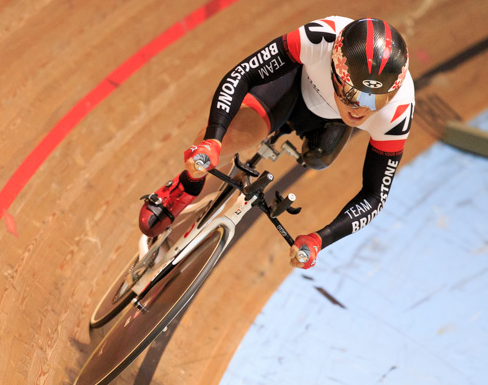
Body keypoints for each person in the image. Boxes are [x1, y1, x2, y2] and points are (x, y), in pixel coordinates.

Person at [139, 16, 414, 269]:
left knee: (319, 159)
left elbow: (375, 195)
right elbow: (243, 74)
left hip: (332, 123)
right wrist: (213, 139)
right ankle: (186, 184)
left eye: (375, 100)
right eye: (352, 94)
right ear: (334, 68)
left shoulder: (398, 109)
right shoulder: (319, 39)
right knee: (229, 139)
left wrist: (321, 239)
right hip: (293, 84)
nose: (361, 110)